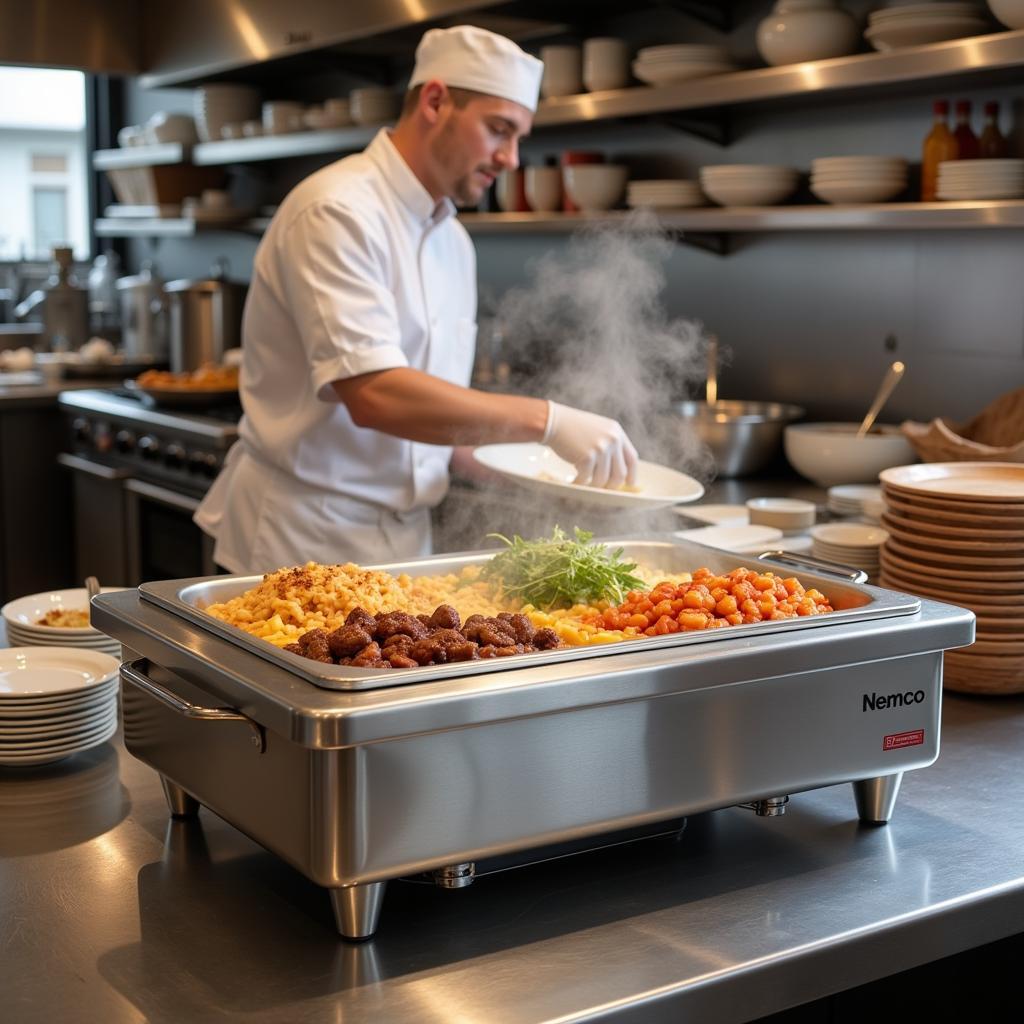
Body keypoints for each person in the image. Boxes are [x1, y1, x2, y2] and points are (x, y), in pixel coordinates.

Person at [194, 25, 638, 573]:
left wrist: (538, 469)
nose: (512, 159)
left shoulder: (453, 240)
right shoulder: (337, 211)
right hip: (302, 541)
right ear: (435, 100)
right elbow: (375, 393)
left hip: (404, 548)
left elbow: (431, 415)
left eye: (518, 136)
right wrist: (548, 421)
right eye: (499, 130)